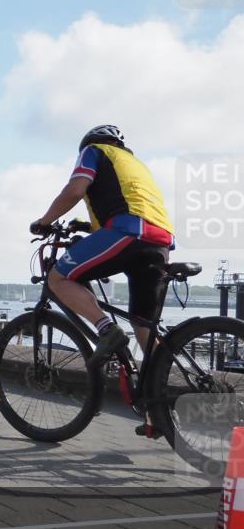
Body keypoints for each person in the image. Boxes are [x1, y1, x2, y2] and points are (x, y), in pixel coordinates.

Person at [31, 125, 174, 430]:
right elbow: (126, 202)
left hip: (128, 231)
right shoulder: (134, 164)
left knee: (58, 278)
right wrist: (87, 224)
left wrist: (45, 222)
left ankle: (106, 330)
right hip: (160, 242)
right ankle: (157, 407)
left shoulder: (94, 151)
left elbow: (75, 189)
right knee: (144, 327)